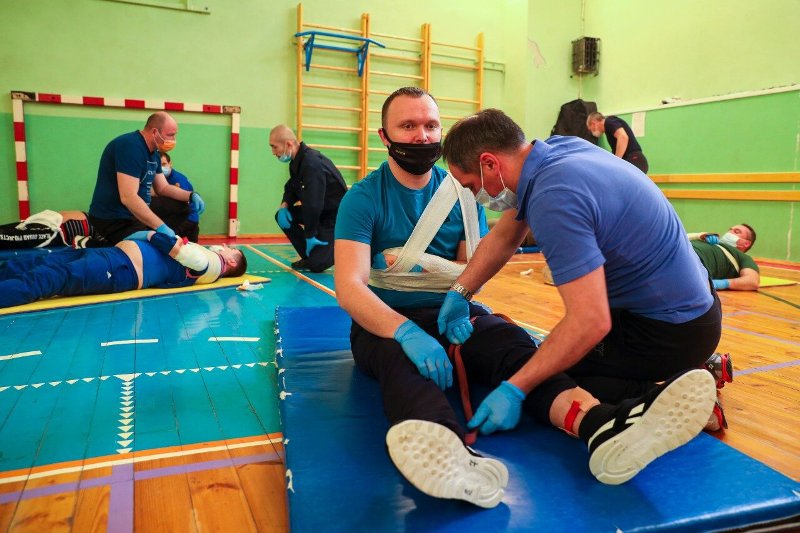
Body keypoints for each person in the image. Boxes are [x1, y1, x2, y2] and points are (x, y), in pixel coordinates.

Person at [334, 88, 717, 510]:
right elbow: (351, 286)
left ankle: (602, 425)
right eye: (408, 126)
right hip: (389, 321)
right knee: (401, 366)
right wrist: (406, 330)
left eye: (430, 125)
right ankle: (447, 454)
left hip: (645, 320)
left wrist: (465, 304)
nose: (422, 136)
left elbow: (474, 259)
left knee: (520, 352)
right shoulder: (365, 198)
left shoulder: (466, 191)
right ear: (384, 135)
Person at [435, 109, 723, 497]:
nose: (475, 194)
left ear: (490, 163)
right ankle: (695, 371)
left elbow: (590, 322)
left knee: (549, 377)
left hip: (670, 330)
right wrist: (460, 293)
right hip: (695, 308)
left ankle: (681, 392)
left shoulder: (556, 198)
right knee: (552, 364)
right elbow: (505, 238)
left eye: (471, 185)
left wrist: (517, 388)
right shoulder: (557, 151)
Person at [0, 231, 246, 308]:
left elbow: (179, 251)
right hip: (114, 257)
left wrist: (151, 233)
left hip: (119, 268)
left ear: (232, 263)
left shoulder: (211, 264)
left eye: (230, 249)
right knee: (40, 262)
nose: (224, 246)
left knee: (49, 276)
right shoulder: (209, 259)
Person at [83, 112, 206, 247]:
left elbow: (163, 188)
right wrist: (161, 227)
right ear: (154, 132)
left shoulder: (154, 153)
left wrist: (191, 195)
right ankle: (92, 244)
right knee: (148, 247)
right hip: (114, 217)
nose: (174, 139)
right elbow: (128, 197)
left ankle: (153, 237)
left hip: (135, 213)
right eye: (170, 135)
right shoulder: (130, 146)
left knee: (182, 207)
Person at [269, 124, 347, 272]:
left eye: (274, 147)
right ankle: (309, 255)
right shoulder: (297, 161)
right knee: (282, 216)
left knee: (317, 266)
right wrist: (284, 205)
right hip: (319, 212)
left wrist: (310, 234)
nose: (273, 152)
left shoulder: (312, 164)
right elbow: (292, 186)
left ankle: (343, 248)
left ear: (288, 144)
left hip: (334, 218)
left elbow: (313, 204)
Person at [688, 225, 759, 291]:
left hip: (692, 263)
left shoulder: (743, 257)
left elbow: (752, 281)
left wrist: (719, 284)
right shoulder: (706, 239)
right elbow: (681, 237)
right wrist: (698, 235)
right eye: (730, 230)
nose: (729, 233)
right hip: (682, 250)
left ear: (746, 243)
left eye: (736, 231)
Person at [150, 153, 201, 242]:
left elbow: (183, 204)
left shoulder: (178, 180)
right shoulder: (156, 178)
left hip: (188, 219)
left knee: (167, 239)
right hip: (178, 217)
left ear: (170, 164)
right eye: (158, 165)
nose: (161, 168)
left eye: (164, 164)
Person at [0, 210, 104, 249]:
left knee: (8, 236)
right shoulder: (100, 215)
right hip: (48, 221)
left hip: (53, 233)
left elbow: (80, 242)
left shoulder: (106, 236)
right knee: (8, 230)